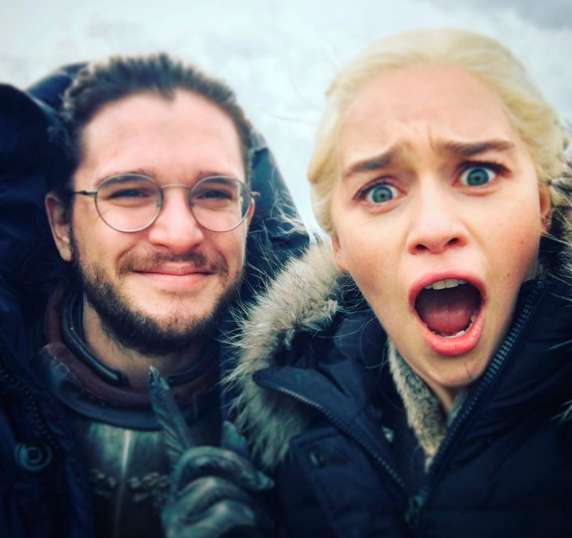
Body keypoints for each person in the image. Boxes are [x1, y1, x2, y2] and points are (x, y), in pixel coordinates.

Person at [226, 29, 572, 537]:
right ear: (339, 244)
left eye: (478, 175)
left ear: (541, 206)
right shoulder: (296, 426)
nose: (433, 228)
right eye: (380, 191)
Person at [0, 54, 307, 538]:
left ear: (247, 218)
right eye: (129, 192)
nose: (180, 235)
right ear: (62, 225)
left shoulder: (330, 410)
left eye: (214, 193)